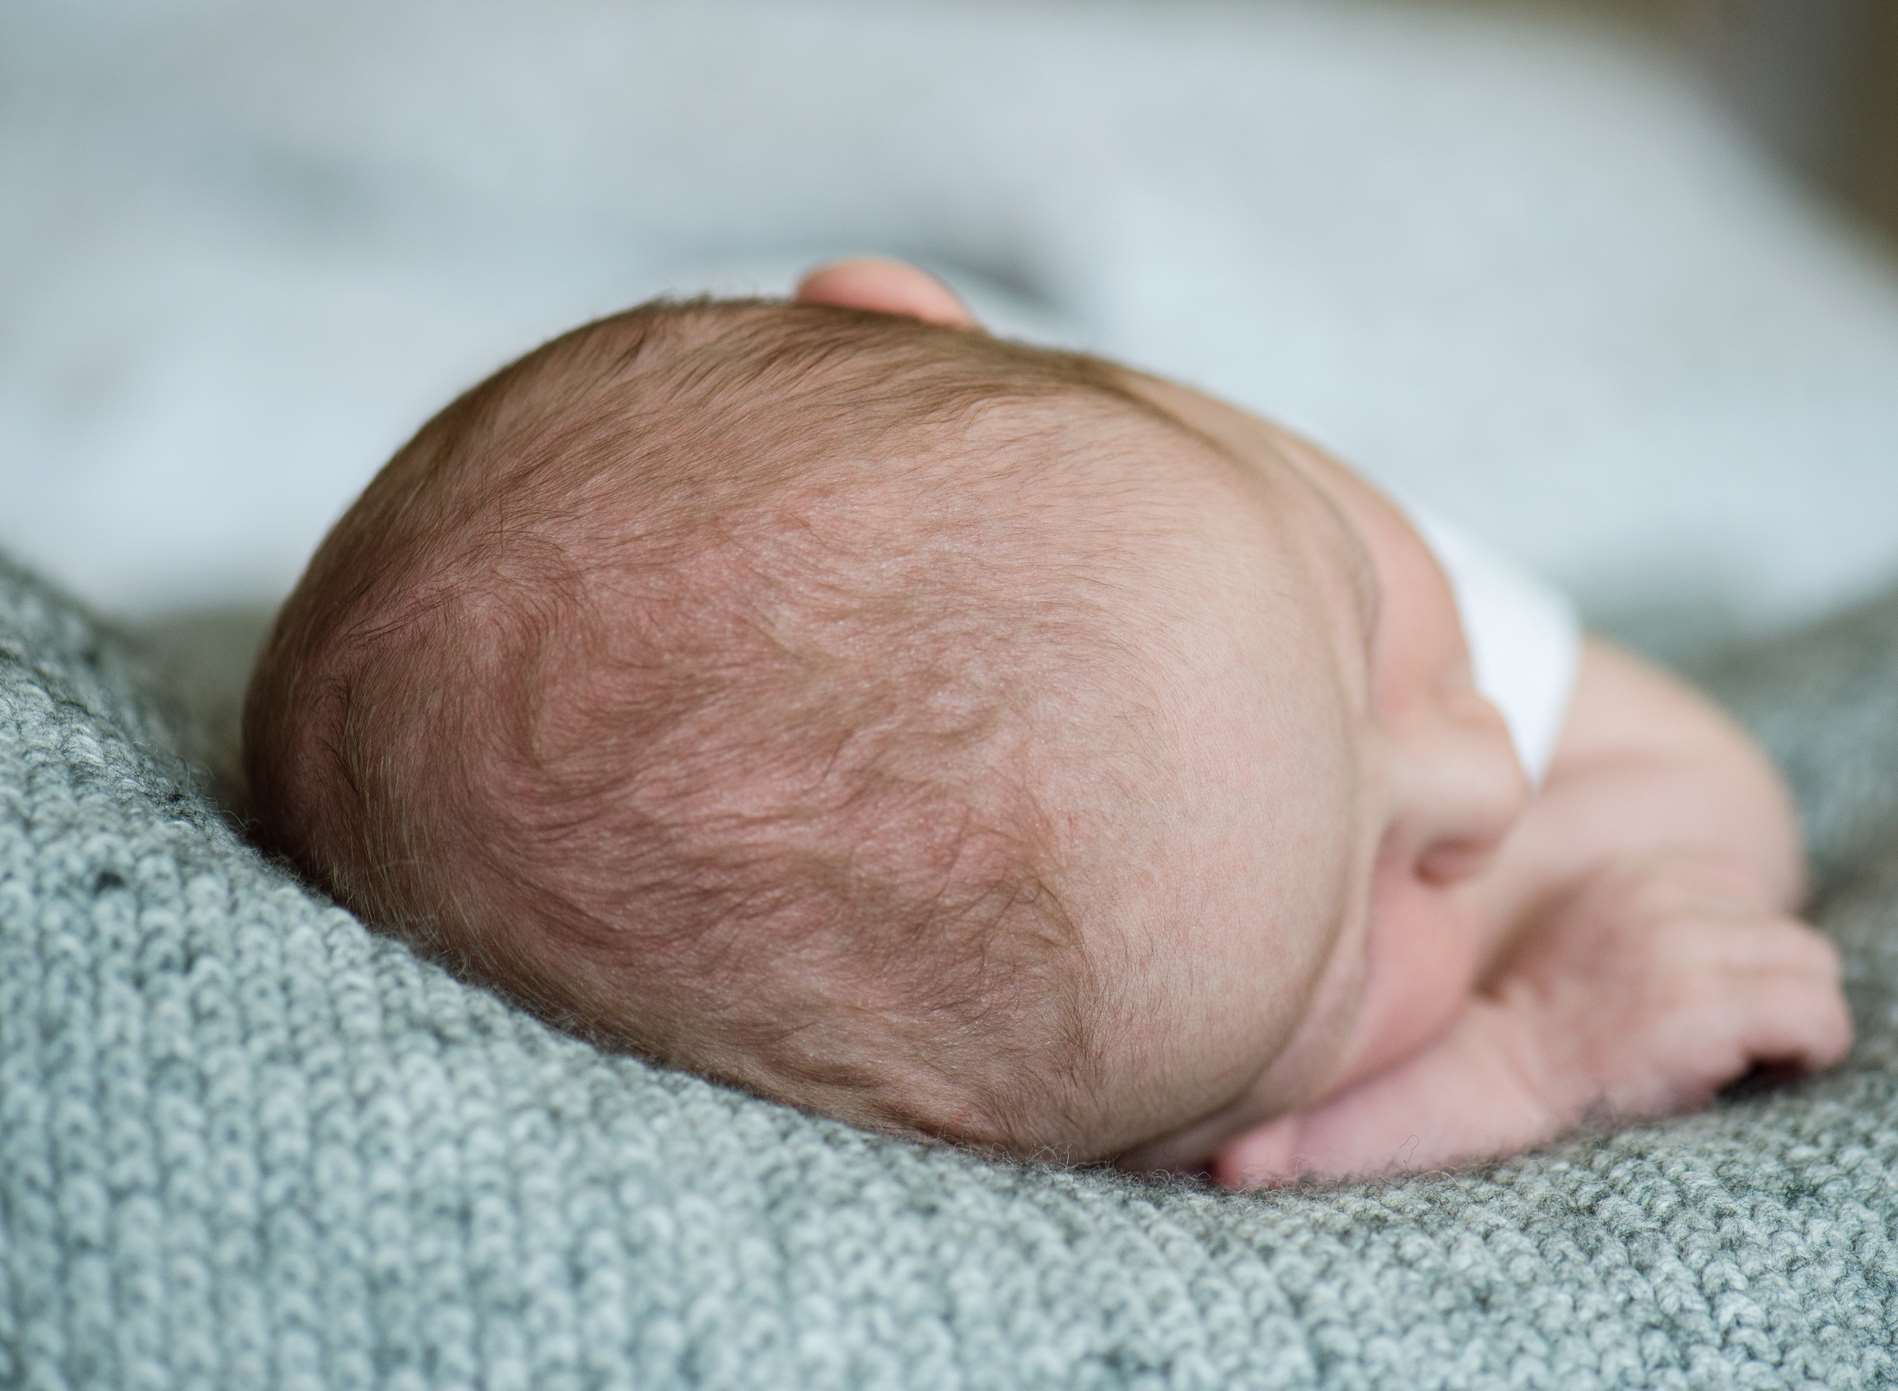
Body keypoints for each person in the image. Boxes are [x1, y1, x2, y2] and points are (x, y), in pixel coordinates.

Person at [241, 256, 1852, 1188]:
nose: (1481, 774)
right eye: (1340, 951)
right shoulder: (1136, 1013)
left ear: (919, 317)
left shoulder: (1135, 528)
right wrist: (1517, 1064)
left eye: (1361, 622)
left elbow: (1711, 796)